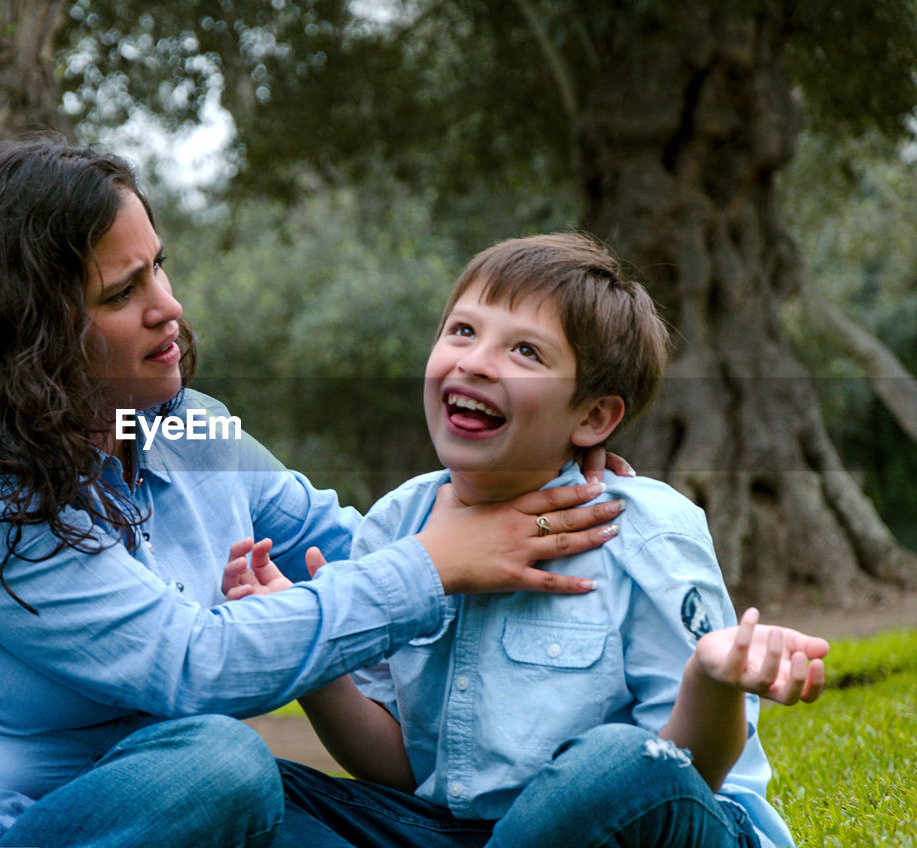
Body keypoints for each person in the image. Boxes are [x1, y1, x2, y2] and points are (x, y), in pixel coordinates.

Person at [0, 140, 631, 848]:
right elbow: (186, 661)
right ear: (25, 334)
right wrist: (433, 565)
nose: (169, 308)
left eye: (157, 267)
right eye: (121, 294)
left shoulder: (184, 423)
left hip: (91, 820)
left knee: (221, 773)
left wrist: (534, 479)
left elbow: (337, 535)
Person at [221, 234, 829, 848]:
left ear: (592, 417)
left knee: (619, 762)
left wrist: (711, 677)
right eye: (462, 331)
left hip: (654, 823)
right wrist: (317, 664)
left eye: (526, 352)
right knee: (239, 784)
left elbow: (678, 779)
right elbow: (401, 774)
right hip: (462, 832)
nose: (477, 361)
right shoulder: (396, 526)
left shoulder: (642, 530)